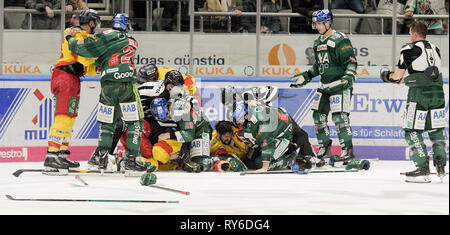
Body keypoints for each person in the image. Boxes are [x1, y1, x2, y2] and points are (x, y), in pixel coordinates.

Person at [66, 13, 145, 173]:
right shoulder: (133, 42)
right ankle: (132, 160)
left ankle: (100, 158)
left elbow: (82, 48)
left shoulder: (106, 35)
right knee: (135, 123)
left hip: (108, 84)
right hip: (128, 84)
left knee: (107, 122)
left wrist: (69, 38)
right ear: (126, 25)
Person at [380, 21, 446, 183]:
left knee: (411, 131)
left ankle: (422, 169)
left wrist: (387, 76)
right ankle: (441, 166)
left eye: (410, 33)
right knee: (436, 130)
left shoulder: (409, 49)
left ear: (414, 33)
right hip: (438, 94)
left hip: (419, 95)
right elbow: (429, 72)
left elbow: (397, 75)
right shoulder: (435, 48)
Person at [291, 10, 358, 166]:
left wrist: (348, 77)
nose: (317, 26)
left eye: (320, 23)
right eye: (316, 23)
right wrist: (306, 75)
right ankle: (324, 149)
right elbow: (319, 66)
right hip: (325, 86)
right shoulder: (317, 42)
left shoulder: (340, 39)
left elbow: (351, 62)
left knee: (340, 118)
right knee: (318, 116)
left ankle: (347, 151)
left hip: (340, 85)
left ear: (329, 23)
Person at [42, 9, 99, 174]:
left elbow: (89, 66)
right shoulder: (78, 35)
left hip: (72, 79)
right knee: (63, 118)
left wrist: (103, 66)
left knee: (70, 118)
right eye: (96, 22)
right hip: (65, 77)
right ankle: (52, 155)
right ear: (91, 22)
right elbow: (85, 57)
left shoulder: (79, 35)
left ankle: (61, 153)